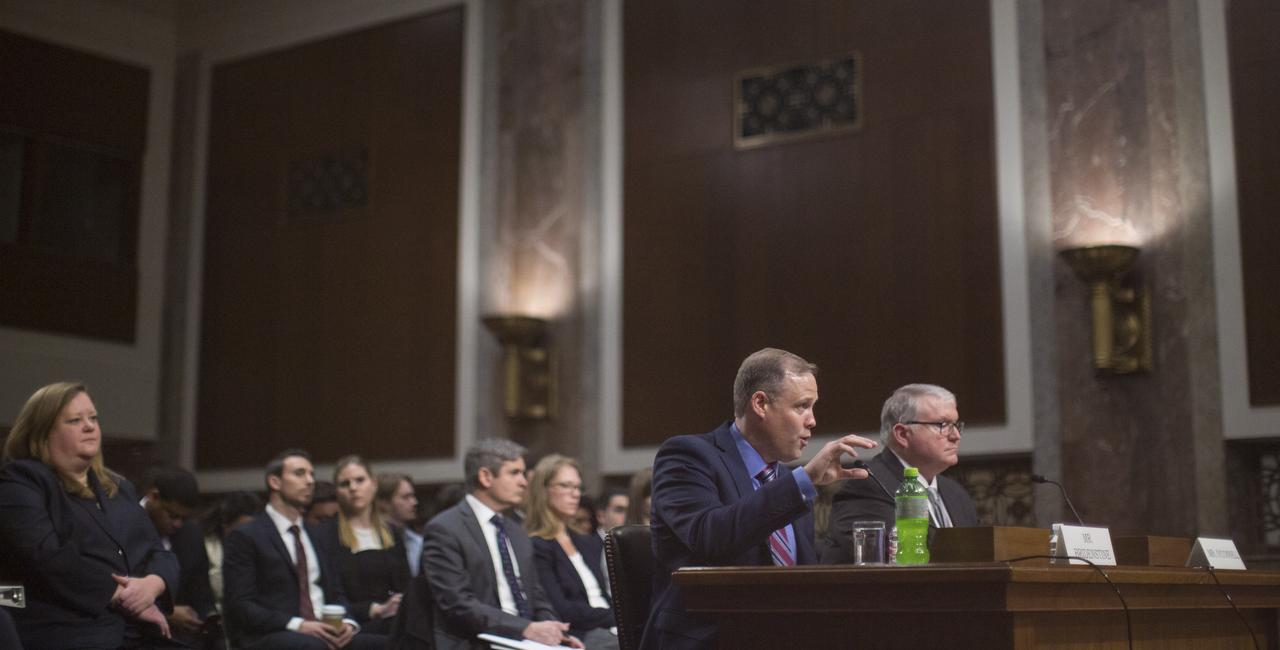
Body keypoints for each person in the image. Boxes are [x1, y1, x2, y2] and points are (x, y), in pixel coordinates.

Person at [641, 348, 877, 650]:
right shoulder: (688, 456)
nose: (813, 421)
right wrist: (803, 481)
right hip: (711, 637)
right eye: (802, 406)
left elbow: (804, 578)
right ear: (761, 403)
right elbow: (710, 536)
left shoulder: (788, 481)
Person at [0, 382, 178, 649]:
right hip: (68, 629)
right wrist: (123, 596)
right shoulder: (22, 480)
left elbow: (159, 552)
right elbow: (46, 555)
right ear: (43, 431)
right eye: (75, 420)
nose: (89, 426)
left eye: (93, 418)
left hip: (138, 631)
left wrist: (153, 585)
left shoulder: (119, 487)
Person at [422, 439, 583, 649]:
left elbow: (537, 596)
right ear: (486, 477)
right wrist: (525, 628)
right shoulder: (446, 528)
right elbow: (458, 605)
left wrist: (554, 632)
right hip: (478, 640)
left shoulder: (517, 531)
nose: (524, 482)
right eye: (514, 473)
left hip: (525, 640)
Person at [222, 449, 380, 649]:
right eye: (299, 473)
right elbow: (241, 605)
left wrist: (348, 622)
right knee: (312, 646)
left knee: (392, 644)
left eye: (311, 474)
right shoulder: (247, 535)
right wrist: (299, 625)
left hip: (322, 631)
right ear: (275, 482)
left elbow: (336, 592)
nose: (310, 481)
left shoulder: (317, 534)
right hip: (273, 634)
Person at [821, 384, 980, 564]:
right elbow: (899, 559)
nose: (956, 436)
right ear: (902, 434)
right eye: (942, 425)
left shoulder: (956, 494)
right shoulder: (867, 486)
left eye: (956, 425)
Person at [525, 455, 618, 649]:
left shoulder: (587, 541)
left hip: (610, 625)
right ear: (543, 490)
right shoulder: (536, 544)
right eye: (566, 486)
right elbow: (562, 609)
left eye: (577, 487)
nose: (575, 494)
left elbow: (601, 595)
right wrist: (620, 615)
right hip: (578, 633)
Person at [318, 456, 408, 637]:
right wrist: (375, 609)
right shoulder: (326, 535)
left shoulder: (392, 533)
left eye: (360, 480)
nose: (353, 488)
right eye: (345, 484)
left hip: (395, 620)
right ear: (337, 491)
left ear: (373, 484)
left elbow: (405, 584)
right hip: (354, 625)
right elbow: (330, 595)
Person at [138, 465, 217, 644]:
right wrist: (168, 613)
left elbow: (201, 593)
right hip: (131, 631)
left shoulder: (191, 534)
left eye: (184, 518)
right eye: (172, 515)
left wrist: (207, 617)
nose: (178, 524)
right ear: (154, 496)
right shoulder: (121, 523)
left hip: (181, 637)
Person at [202, 491, 262, 616]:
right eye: (242, 529)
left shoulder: (263, 547)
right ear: (225, 526)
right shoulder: (205, 548)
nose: (248, 535)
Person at [375, 473, 422, 577]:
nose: (414, 502)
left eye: (413, 496)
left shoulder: (418, 542)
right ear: (384, 502)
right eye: (406, 497)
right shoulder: (369, 541)